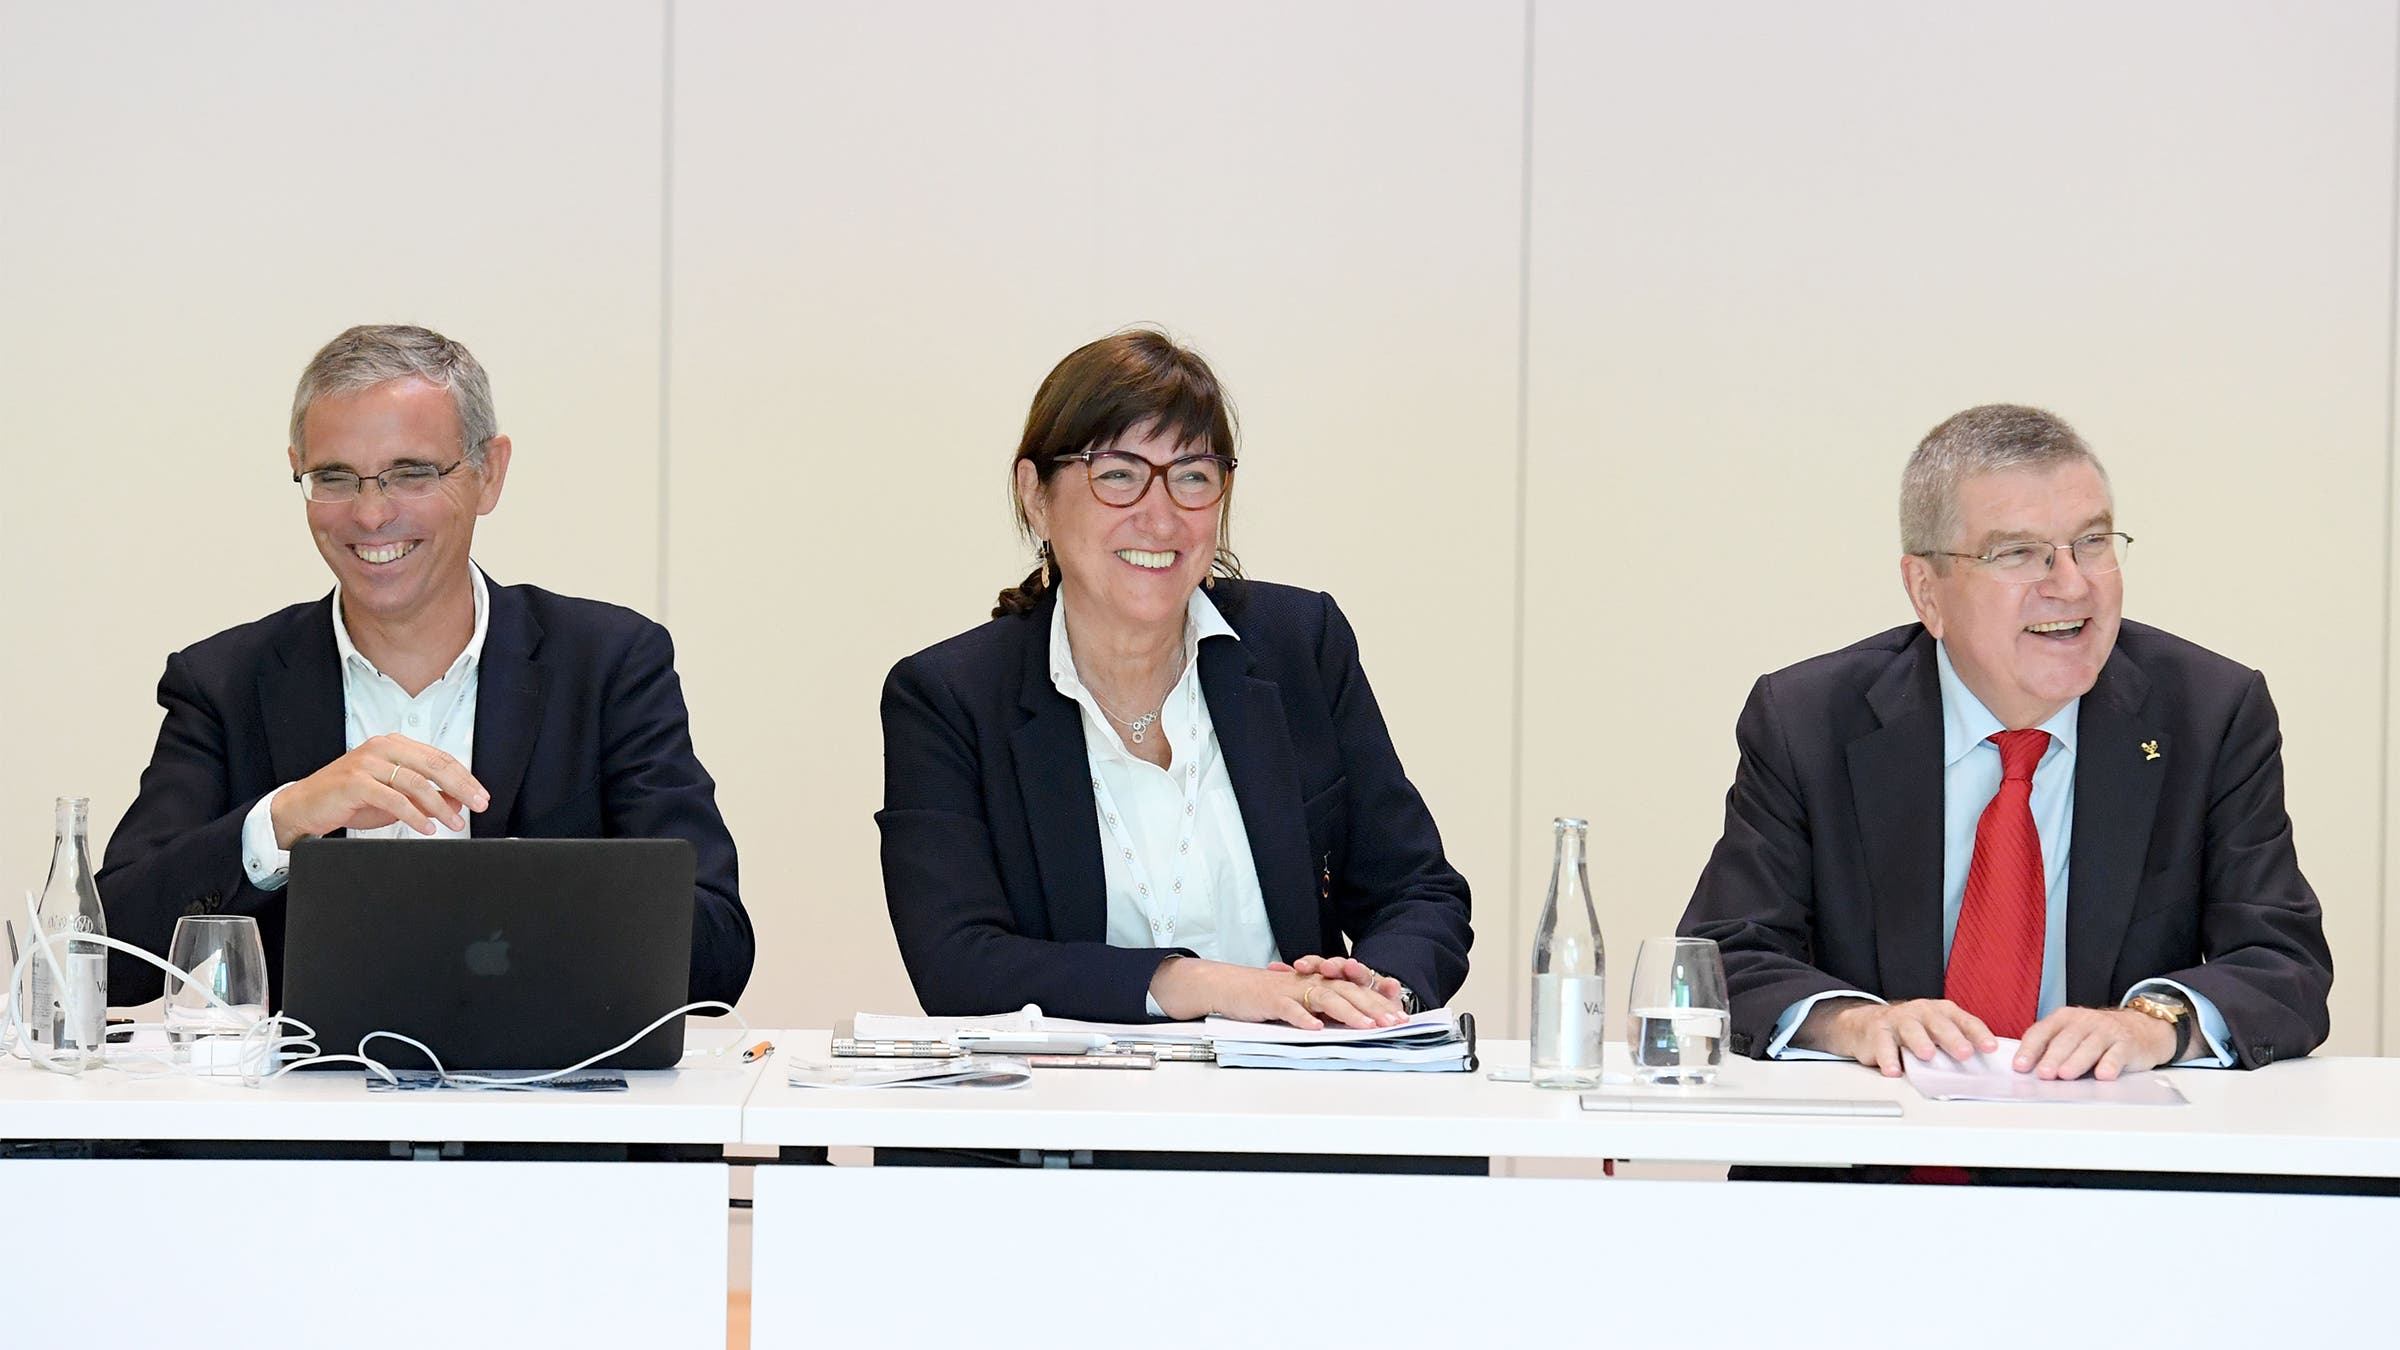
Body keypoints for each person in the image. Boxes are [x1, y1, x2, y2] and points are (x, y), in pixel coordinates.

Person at [98, 324, 752, 1008]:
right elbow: (106, 958)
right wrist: (284, 819)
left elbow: (718, 956)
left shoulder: (608, 664)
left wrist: (527, 890)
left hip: (550, 1099)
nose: (372, 513)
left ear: (488, 473)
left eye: (412, 474)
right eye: (335, 478)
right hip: (310, 1108)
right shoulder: (223, 682)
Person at [1680, 404, 2331, 1082]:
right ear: (1926, 591)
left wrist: (2152, 1025)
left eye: (2093, 542)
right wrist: (1855, 1023)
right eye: (2018, 553)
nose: (2071, 584)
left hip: (2119, 1165)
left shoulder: (2209, 714)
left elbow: (2282, 962)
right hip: (1872, 1159)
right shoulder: (1810, 721)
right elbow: (1723, 956)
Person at [878, 329, 1472, 1027]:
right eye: (1119, 474)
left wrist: (1377, 991)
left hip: (1296, 1097)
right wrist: (1205, 986)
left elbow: (1419, 891)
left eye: (1193, 475)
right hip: (1069, 1115)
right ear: (1034, 495)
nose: (1160, 518)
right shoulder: (949, 697)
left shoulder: (1298, 646)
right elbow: (957, 962)